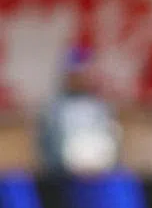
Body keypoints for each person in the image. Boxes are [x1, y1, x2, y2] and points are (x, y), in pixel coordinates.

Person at [37, 47, 122, 176]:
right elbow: (48, 148)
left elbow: (113, 141)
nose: (83, 79)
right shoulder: (54, 110)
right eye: (77, 75)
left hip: (101, 174)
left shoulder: (101, 107)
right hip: (65, 175)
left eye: (86, 74)